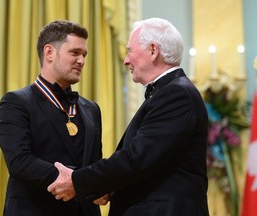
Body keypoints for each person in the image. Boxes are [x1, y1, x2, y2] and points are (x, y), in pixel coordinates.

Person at [48, 18, 210, 216]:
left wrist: (78, 181)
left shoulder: (176, 94)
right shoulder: (169, 91)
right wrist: (107, 187)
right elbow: (152, 162)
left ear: (153, 51)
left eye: (130, 51)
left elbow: (137, 158)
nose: (126, 60)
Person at [0, 20, 103, 216]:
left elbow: (95, 163)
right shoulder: (15, 102)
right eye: (75, 52)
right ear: (49, 53)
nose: (82, 61)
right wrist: (76, 181)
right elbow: (19, 162)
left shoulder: (92, 109)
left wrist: (103, 183)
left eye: (84, 54)